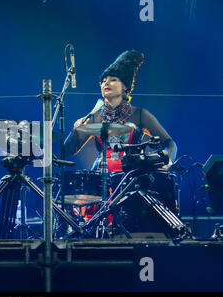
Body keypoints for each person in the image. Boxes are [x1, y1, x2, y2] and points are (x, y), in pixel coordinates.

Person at [63, 50, 178, 235]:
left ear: (125, 86)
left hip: (130, 176)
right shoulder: (95, 117)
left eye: (113, 79)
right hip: (101, 177)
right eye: (103, 80)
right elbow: (66, 150)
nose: (106, 83)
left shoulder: (140, 114)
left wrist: (166, 157)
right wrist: (74, 130)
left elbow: (170, 142)